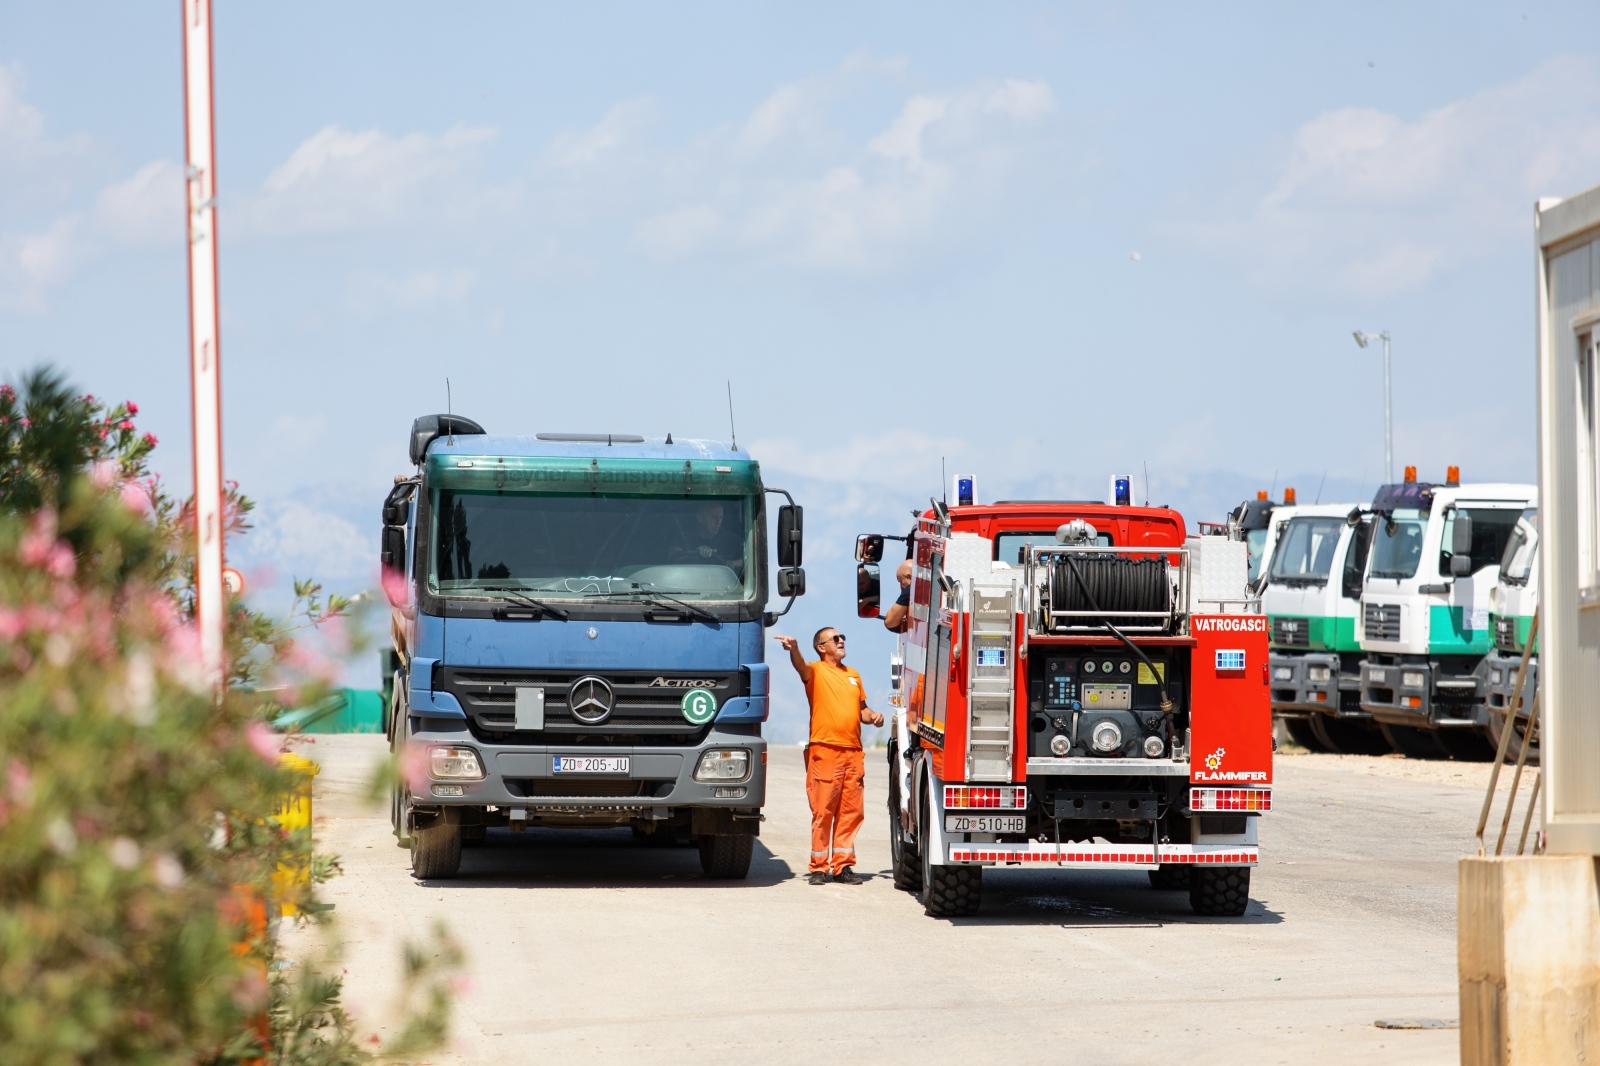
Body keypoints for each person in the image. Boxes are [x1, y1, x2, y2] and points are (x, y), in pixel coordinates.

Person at [775, 627, 885, 885]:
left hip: (853, 752)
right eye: (835, 638)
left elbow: (862, 710)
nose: (841, 640)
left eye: (842, 636)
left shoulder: (853, 675)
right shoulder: (815, 671)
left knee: (851, 812)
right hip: (825, 751)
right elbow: (800, 665)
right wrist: (794, 649)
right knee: (823, 811)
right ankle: (818, 867)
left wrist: (873, 717)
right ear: (821, 647)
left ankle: (843, 867)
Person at [667, 500, 743, 577]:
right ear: (699, 518)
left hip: (720, 582)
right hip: (688, 579)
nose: (718, 522)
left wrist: (735, 563)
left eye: (721, 517)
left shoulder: (728, 537)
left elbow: (748, 556)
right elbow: (673, 555)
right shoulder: (685, 535)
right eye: (713, 517)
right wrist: (696, 552)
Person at [882, 559, 913, 633]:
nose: (901, 587)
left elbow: (890, 622)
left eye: (901, 582)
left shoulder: (912, 589)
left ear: (910, 577)